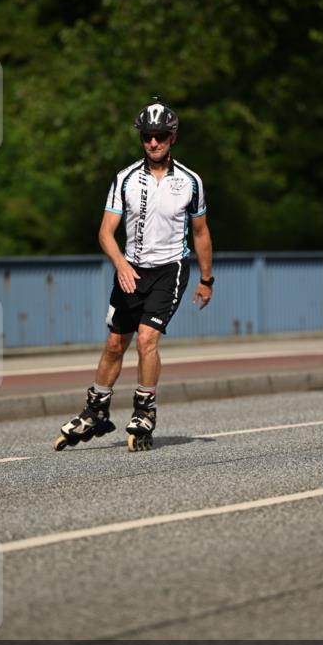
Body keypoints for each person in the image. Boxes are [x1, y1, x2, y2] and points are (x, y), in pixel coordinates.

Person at [54, 98, 214, 452]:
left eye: (159, 136)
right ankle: (96, 409)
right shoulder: (124, 179)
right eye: (147, 137)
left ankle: (145, 411)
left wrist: (206, 280)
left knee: (145, 340)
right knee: (114, 344)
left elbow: (200, 233)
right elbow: (105, 233)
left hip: (169, 269)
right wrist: (121, 264)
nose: (153, 143)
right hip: (131, 270)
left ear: (172, 137)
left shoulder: (190, 181)